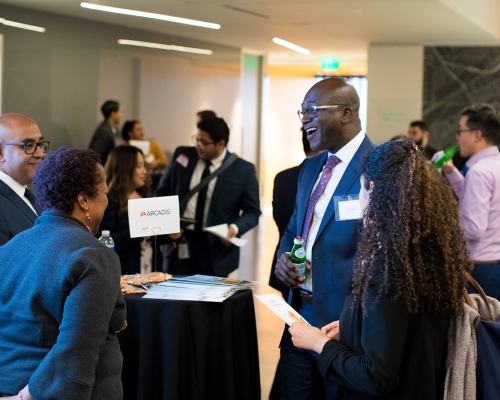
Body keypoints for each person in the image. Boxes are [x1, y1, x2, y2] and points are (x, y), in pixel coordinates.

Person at [288, 139, 472, 399]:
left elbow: (375, 376)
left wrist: (319, 343)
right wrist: (353, 327)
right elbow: (400, 331)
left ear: (372, 188)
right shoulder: (425, 255)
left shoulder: (386, 270)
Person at [274, 76, 375, 398]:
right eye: (301, 112)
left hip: (347, 326)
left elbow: (388, 256)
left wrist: (359, 318)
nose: (305, 120)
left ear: (346, 113)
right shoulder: (311, 167)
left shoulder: (378, 168)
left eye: (312, 110)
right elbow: (293, 230)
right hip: (299, 316)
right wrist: (284, 259)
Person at [0, 147, 126, 399]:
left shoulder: (10, 248)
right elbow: (78, 347)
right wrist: (27, 396)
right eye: (103, 194)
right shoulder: (94, 255)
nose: (107, 201)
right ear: (83, 200)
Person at [156, 117, 261, 277]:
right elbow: (161, 193)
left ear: (220, 143)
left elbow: (252, 212)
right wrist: (167, 226)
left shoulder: (243, 170)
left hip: (216, 250)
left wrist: (234, 228)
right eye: (196, 139)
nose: (198, 145)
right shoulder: (183, 155)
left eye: (203, 142)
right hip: (180, 244)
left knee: (210, 301)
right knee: (175, 299)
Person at [441, 103, 500, 299]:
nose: (458, 137)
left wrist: (442, 222)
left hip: (481, 269)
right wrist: (451, 172)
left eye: (461, 130)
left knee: (478, 328)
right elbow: (473, 197)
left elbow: (474, 228)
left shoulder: (479, 172)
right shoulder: (493, 164)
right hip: (494, 263)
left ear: (477, 135)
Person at [269, 127, 324, 298]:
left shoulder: (282, 177)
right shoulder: (319, 178)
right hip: (307, 269)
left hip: (284, 262)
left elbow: (278, 218)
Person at [100, 145, 163, 275]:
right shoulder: (109, 200)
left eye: (144, 166)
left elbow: (152, 236)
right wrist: (138, 233)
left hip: (152, 270)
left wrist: (170, 234)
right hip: (124, 273)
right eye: (139, 166)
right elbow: (105, 240)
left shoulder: (146, 195)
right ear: (125, 168)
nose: (144, 171)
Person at [0, 113, 48, 246]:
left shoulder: (31, 196)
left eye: (40, 144)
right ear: (1, 153)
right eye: (28, 145)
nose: (40, 153)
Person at [89, 100, 121, 166]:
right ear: (113, 114)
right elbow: (94, 154)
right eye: (119, 112)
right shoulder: (104, 132)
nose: (121, 115)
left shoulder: (114, 129)